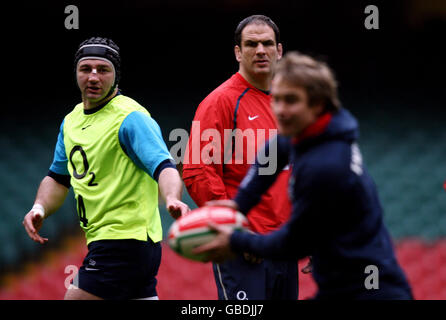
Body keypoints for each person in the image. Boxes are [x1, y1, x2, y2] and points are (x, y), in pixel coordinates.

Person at [195, 51, 414, 300]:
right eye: (276, 100)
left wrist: (237, 241)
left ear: (317, 104)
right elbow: (278, 147)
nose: (280, 110)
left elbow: (293, 243)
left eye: (291, 100)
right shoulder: (318, 130)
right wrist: (240, 204)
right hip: (341, 288)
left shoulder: (326, 165)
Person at [22, 37, 190, 300]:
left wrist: (171, 198)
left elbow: (164, 165)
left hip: (124, 241)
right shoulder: (71, 122)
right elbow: (57, 177)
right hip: (114, 243)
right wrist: (39, 208)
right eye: (85, 69)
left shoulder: (131, 117)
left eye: (103, 70)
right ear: (76, 73)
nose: (93, 76)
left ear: (116, 75)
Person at [182, 15, 299, 300]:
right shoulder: (220, 101)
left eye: (267, 43)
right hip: (243, 249)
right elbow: (198, 171)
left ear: (279, 50)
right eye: (251, 44)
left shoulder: (290, 104)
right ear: (238, 52)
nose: (260, 50)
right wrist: (236, 232)